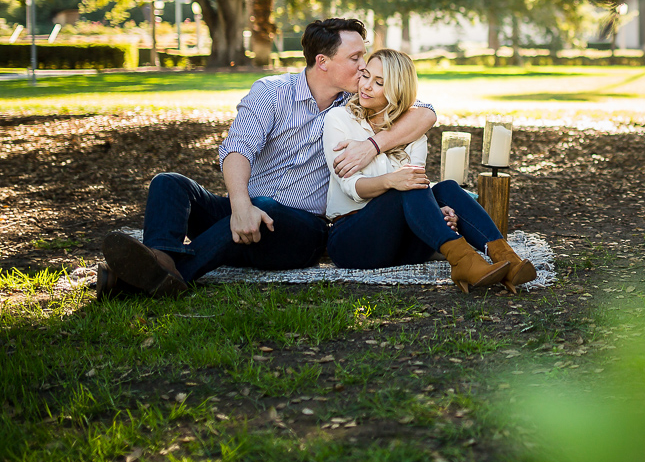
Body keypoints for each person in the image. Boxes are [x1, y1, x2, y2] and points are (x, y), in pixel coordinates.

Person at [98, 18, 436, 297]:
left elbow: (425, 112)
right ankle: (161, 260)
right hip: (247, 207)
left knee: (267, 207)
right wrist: (241, 206)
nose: (364, 67)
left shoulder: (355, 107)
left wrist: (373, 145)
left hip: (301, 229)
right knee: (169, 184)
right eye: (355, 59)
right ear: (323, 62)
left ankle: (150, 280)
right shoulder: (272, 93)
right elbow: (236, 149)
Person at [323, 48, 536, 293]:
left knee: (446, 189)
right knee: (407, 183)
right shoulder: (339, 119)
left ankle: (507, 259)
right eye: (366, 76)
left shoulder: (412, 133)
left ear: (397, 90)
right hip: (354, 242)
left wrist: (438, 212)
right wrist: (391, 180)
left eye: (379, 82)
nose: (366, 86)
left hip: (404, 244)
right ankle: (464, 261)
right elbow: (351, 188)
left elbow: (416, 189)